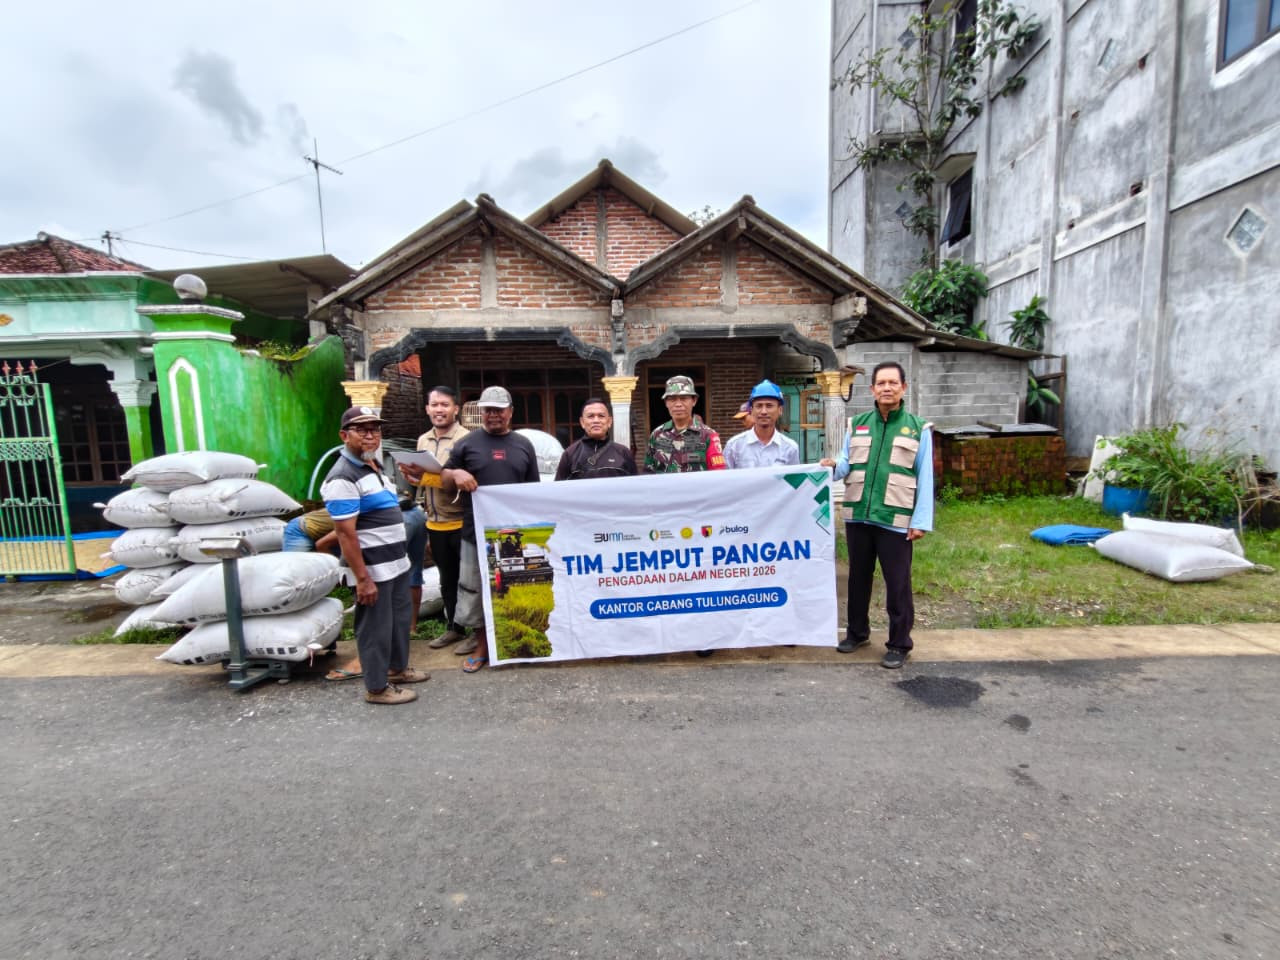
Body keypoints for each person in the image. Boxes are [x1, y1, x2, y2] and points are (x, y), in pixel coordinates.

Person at [820, 362, 933, 669]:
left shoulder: (917, 428)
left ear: (903, 388)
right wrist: (830, 467)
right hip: (858, 516)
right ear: (872, 389)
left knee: (897, 583)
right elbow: (846, 464)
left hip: (895, 519)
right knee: (858, 578)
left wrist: (920, 521)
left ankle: (899, 643)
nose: (886, 388)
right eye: (880, 383)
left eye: (892, 383)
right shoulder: (857, 424)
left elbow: (926, 477)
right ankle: (857, 633)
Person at [321, 406, 429, 704]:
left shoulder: (373, 467)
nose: (370, 435)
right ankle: (376, 687)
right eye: (362, 429)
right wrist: (363, 578)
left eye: (375, 429)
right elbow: (345, 533)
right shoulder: (342, 477)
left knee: (397, 620)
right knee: (375, 628)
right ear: (345, 435)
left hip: (395, 564)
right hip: (373, 570)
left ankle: (396, 669)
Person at [440, 386, 542, 673]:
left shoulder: (523, 444)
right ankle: (483, 645)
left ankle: (515, 643)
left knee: (512, 591)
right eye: (488, 410)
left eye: (498, 410)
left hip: (514, 534)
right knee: (476, 591)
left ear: (510, 412)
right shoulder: (466, 444)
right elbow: (444, 479)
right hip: (475, 532)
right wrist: (454, 473)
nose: (493, 415)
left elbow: (533, 491)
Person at [399, 385, 472, 652]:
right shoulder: (423, 441)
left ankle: (476, 631)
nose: (439, 410)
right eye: (435, 405)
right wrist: (412, 478)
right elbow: (423, 479)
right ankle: (453, 627)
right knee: (446, 579)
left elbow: (458, 481)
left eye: (445, 405)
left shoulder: (467, 439)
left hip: (461, 520)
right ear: (427, 409)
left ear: (456, 409)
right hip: (435, 520)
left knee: (469, 579)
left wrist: (426, 477)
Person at [643, 375, 726, 473]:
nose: (678, 404)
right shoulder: (657, 434)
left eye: (684, 398)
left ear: (694, 401)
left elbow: (718, 473)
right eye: (672, 399)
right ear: (666, 403)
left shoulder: (708, 435)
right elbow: (648, 472)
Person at [722, 379, 800, 469]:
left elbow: (794, 481)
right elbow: (725, 480)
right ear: (751, 410)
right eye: (759, 406)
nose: (763, 411)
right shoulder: (734, 446)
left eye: (769, 406)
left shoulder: (790, 448)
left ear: (780, 410)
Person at [554, 397, 637, 480]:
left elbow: (634, 487)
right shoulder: (570, 454)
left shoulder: (624, 453)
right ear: (582, 422)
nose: (596, 420)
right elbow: (559, 489)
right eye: (590, 416)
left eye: (601, 416)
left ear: (609, 422)